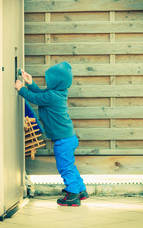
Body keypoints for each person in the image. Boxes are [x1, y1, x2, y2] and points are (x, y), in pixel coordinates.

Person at [15, 61, 89, 206]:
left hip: (63, 141)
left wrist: (21, 89)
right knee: (70, 166)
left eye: (50, 80)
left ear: (56, 82)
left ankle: (72, 196)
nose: (48, 82)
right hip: (68, 138)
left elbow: (36, 98)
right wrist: (30, 84)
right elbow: (41, 94)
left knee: (64, 167)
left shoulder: (52, 96)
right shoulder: (57, 93)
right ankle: (80, 190)